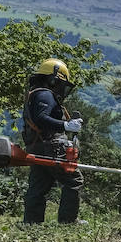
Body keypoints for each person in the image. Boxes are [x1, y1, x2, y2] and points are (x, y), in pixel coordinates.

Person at [21, 58, 86, 224]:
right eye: (59, 83)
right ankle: (68, 222)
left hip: (36, 147)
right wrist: (66, 125)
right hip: (52, 146)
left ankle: (31, 224)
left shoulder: (33, 94)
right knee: (74, 181)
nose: (60, 88)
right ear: (52, 79)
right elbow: (41, 118)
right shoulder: (45, 94)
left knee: (38, 187)